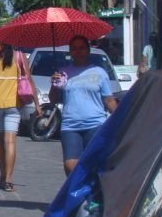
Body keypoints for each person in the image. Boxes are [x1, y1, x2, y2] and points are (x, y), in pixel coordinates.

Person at [0, 43, 42, 191]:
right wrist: (37, 104)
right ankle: (9, 181)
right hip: (13, 104)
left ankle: (2, 175)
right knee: (10, 143)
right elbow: (29, 80)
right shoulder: (20, 56)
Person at [49, 35, 118, 177]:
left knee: (94, 165)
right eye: (74, 49)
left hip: (95, 124)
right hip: (70, 126)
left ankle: (94, 197)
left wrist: (121, 118)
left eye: (81, 48)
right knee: (70, 166)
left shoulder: (99, 73)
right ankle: (79, 196)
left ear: (88, 50)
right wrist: (54, 85)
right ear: (70, 52)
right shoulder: (63, 73)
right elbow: (53, 99)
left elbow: (109, 100)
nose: (78, 51)